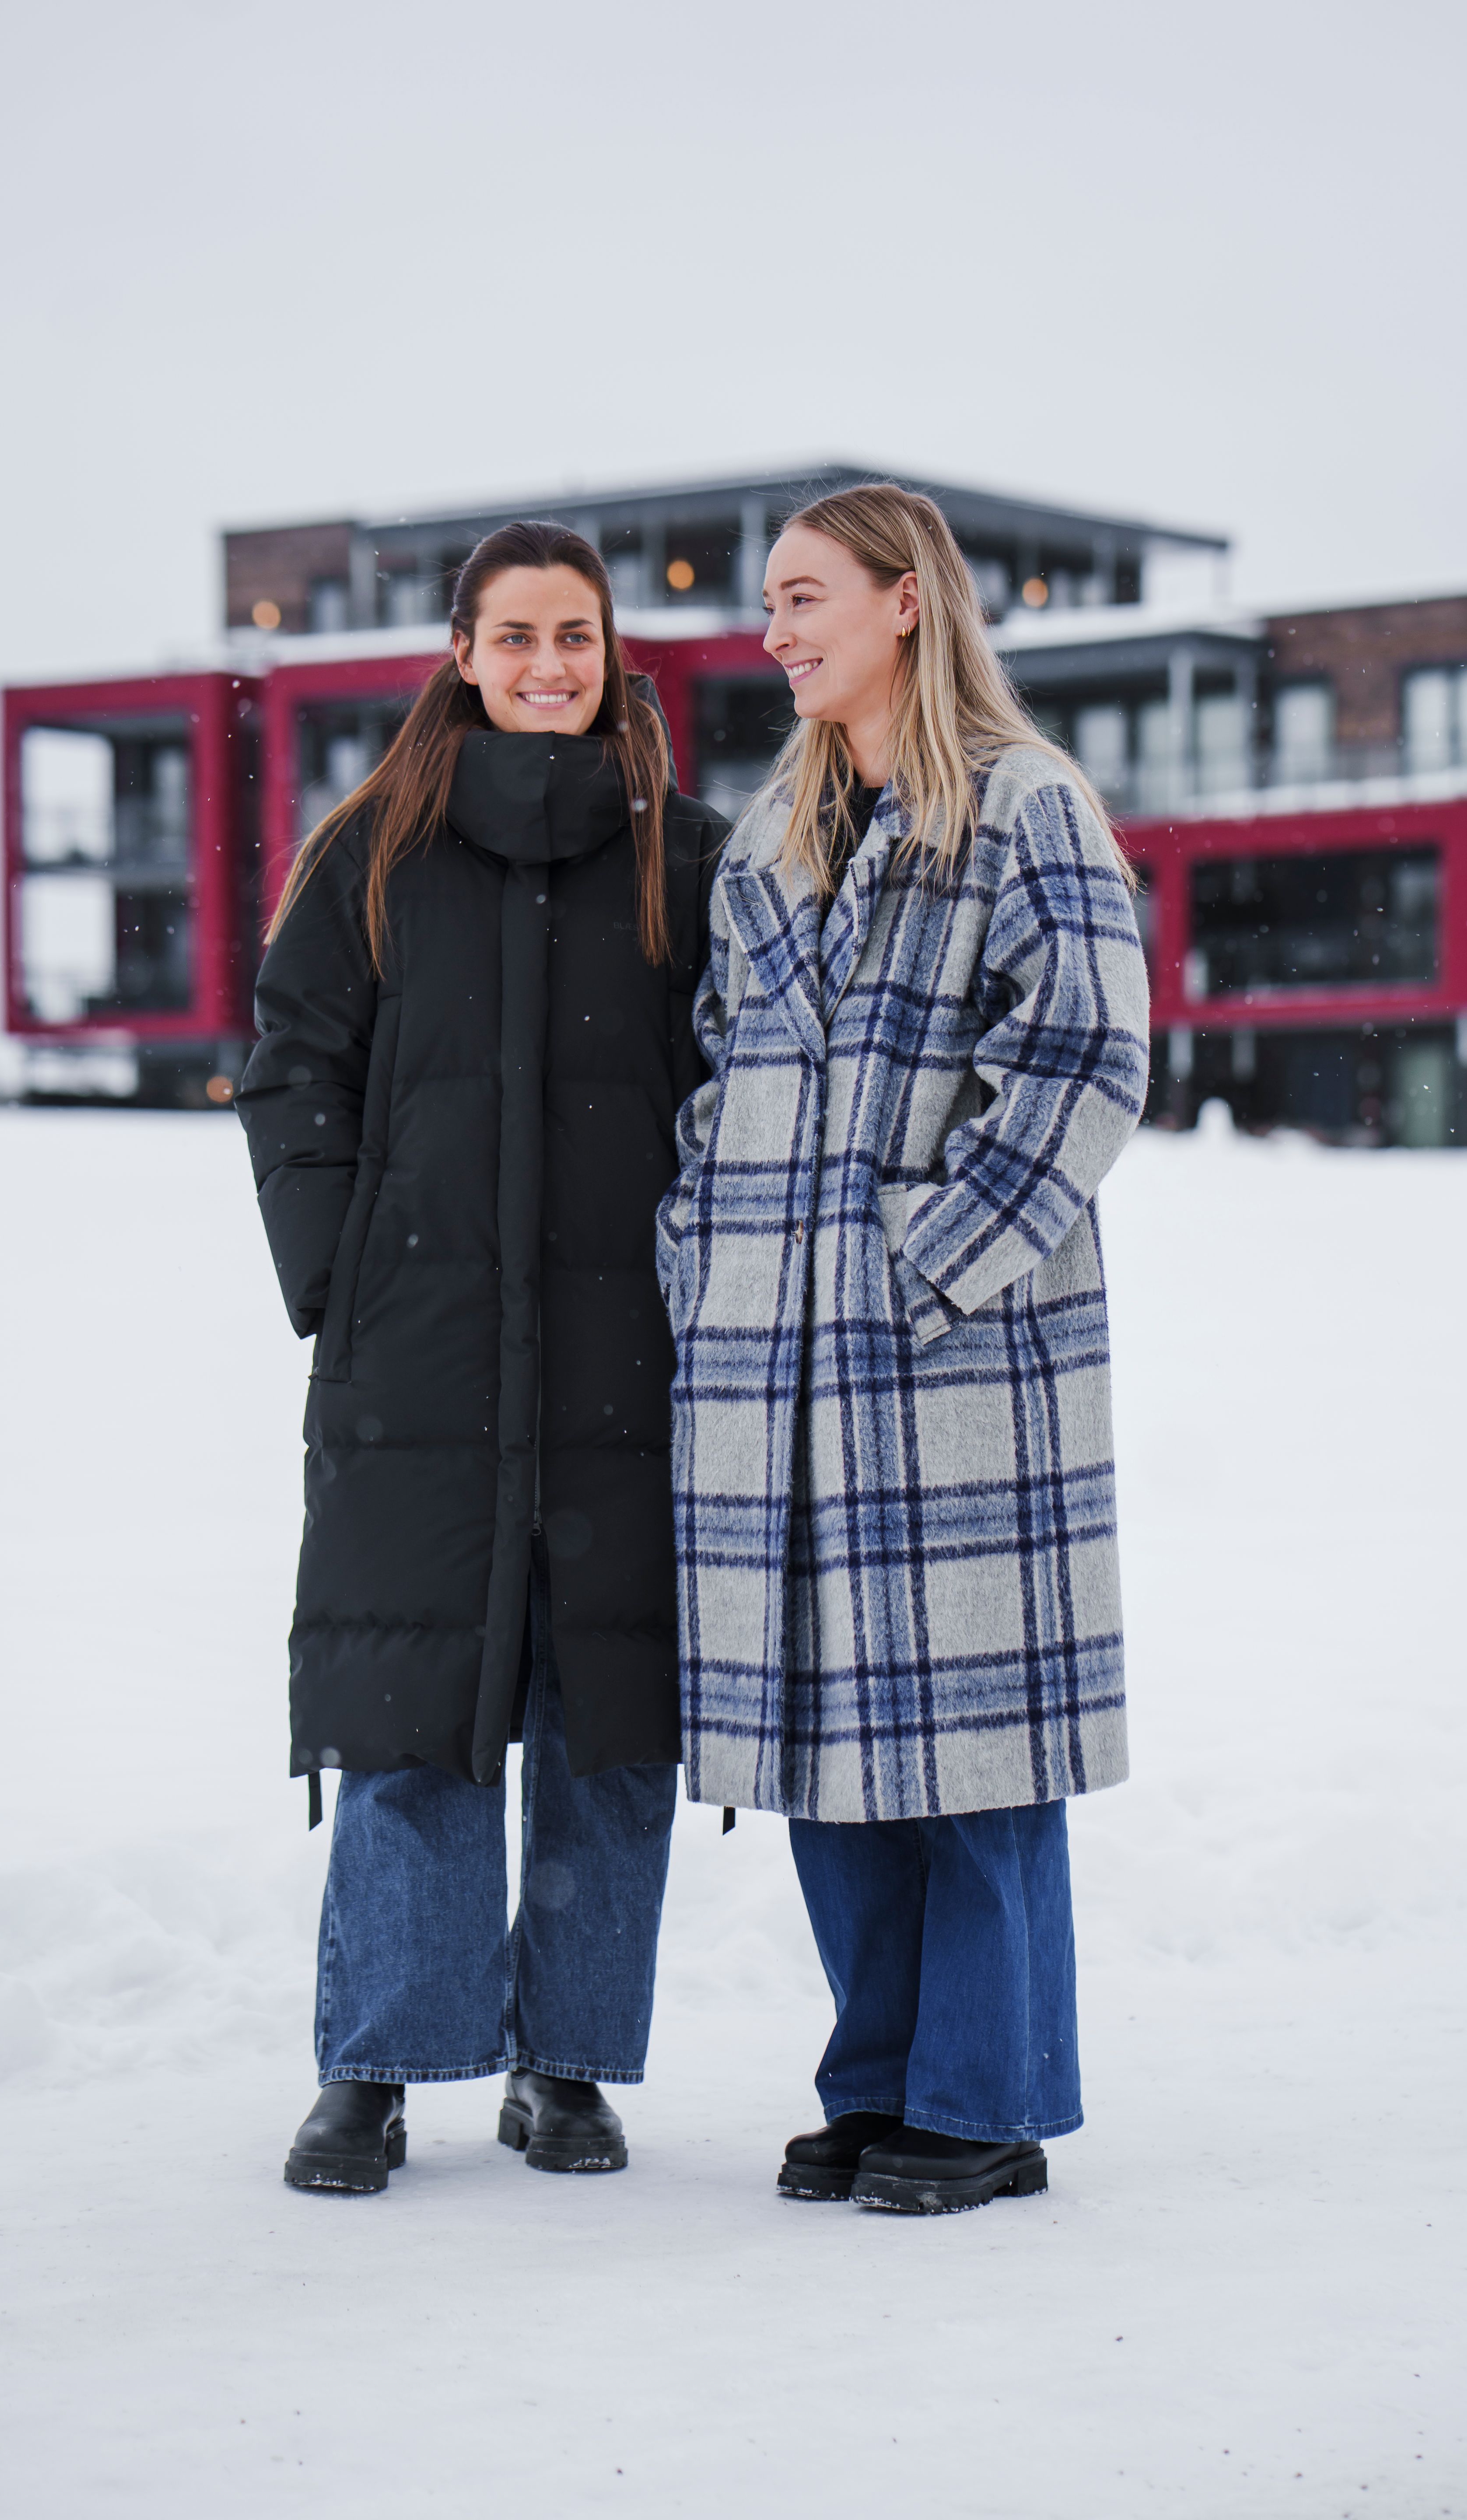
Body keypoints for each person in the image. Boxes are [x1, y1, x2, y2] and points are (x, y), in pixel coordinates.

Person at [658, 484, 1150, 2214]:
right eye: (768, 603)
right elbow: (715, 1084)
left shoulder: (1025, 808)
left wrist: (919, 1272)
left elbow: (1086, 1062)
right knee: (831, 1741)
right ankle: (879, 2082)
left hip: (953, 1364)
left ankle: (984, 2098)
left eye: (804, 597)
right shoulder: (767, 845)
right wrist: (707, 1258)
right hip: (770, 1365)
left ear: (906, 603)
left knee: (973, 1746)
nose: (774, 631)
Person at [237, 520, 726, 2194]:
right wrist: (346, 1276)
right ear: (462, 654)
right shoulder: (371, 850)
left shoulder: (687, 860)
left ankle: (568, 2064)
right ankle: (374, 2066)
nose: (547, 666)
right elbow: (292, 1070)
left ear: (611, 652)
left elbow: (735, 1092)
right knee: (414, 1700)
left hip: (628, 1356)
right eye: (514, 636)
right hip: (420, 1355)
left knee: (608, 1711)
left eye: (574, 636)